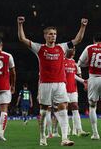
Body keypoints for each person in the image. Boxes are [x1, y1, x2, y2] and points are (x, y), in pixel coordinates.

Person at [17, 16, 88, 146]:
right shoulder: (39, 48)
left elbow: (78, 39)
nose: (53, 36)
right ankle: (42, 136)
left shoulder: (62, 47)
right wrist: (20, 24)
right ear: (45, 36)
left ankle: (65, 138)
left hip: (61, 83)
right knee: (44, 111)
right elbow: (22, 39)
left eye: (54, 34)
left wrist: (83, 26)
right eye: (50, 34)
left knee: (63, 108)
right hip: (45, 84)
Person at [64, 48, 90, 137]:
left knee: (75, 107)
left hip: (73, 89)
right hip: (63, 89)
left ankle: (79, 130)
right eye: (72, 50)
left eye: (74, 50)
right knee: (65, 109)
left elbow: (74, 75)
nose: (73, 51)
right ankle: (67, 129)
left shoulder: (75, 63)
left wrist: (84, 81)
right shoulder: (61, 61)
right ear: (66, 51)